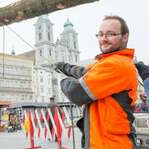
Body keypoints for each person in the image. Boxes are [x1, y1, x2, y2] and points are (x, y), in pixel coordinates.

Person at [57, 15, 138, 149]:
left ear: (125, 37)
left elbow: (75, 91)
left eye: (110, 34)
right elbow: (84, 71)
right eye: (100, 34)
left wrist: (63, 79)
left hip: (112, 145)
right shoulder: (106, 62)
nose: (103, 39)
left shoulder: (117, 64)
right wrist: (63, 66)